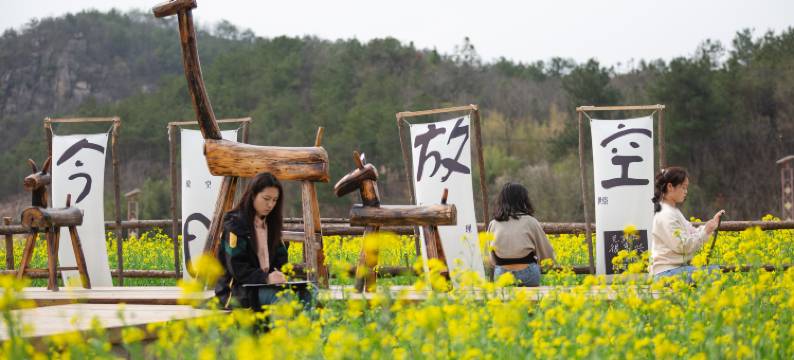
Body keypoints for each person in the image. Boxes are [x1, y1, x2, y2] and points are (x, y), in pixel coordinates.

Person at [214, 172, 312, 310]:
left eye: (274, 200)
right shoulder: (235, 224)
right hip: (238, 291)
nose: (270, 204)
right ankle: (280, 332)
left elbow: (281, 260)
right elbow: (237, 268)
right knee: (281, 297)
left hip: (265, 286)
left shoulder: (271, 224)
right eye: (266, 198)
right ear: (253, 195)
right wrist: (265, 278)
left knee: (309, 291)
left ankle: (304, 331)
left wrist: (281, 275)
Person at [650, 167, 725, 281]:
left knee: (713, 272)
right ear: (670, 187)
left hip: (673, 270)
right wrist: (706, 231)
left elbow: (691, 232)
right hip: (666, 272)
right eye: (683, 187)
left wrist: (710, 226)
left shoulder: (672, 211)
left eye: (686, 188)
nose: (686, 191)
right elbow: (683, 246)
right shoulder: (666, 214)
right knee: (714, 273)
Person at [487, 182, 556, 287]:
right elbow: (546, 254)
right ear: (524, 200)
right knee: (530, 303)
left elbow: (490, 259)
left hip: (502, 273)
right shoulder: (531, 222)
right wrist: (547, 266)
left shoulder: (494, 224)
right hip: (528, 273)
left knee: (503, 303)